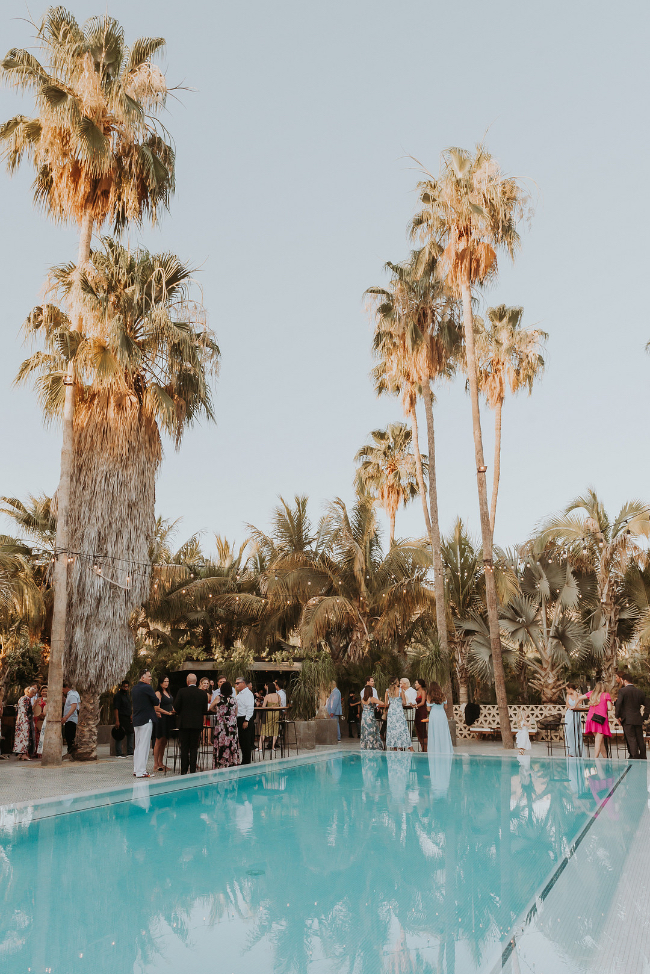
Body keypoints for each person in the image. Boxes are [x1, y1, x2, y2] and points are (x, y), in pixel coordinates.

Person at [173, 673, 209, 774]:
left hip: (184, 723)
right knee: (194, 747)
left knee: (184, 747)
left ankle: (184, 770)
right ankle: (193, 769)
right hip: (197, 723)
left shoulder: (182, 691)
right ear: (196, 682)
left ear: (187, 681)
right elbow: (204, 709)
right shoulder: (202, 694)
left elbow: (176, 707)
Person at [131, 669, 161, 778]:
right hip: (146, 719)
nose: (150, 678)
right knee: (144, 745)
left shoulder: (134, 689)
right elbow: (156, 701)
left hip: (137, 719)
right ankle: (141, 771)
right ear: (143, 677)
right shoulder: (147, 688)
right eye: (149, 676)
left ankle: (136, 769)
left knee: (138, 745)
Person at [615, 670, 649, 759]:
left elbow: (619, 704)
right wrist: (644, 716)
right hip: (638, 719)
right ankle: (643, 756)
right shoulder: (639, 692)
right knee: (640, 739)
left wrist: (617, 716)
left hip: (627, 719)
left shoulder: (622, 691)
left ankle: (635, 757)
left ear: (624, 681)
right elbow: (648, 704)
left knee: (631, 739)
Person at [212, 680, 240, 769]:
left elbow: (210, 707)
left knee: (221, 743)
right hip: (232, 723)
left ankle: (220, 762)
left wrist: (218, 712)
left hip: (221, 723)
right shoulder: (234, 699)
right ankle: (232, 761)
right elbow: (236, 713)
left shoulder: (218, 698)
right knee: (231, 743)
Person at [584, 680, 613, 759]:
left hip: (591, 718)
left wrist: (574, 705)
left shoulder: (592, 694)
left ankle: (605, 757)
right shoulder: (606, 695)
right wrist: (611, 703)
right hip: (600, 719)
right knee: (598, 740)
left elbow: (580, 697)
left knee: (601, 741)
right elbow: (610, 708)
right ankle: (595, 758)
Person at [424, 682, 453, 754]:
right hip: (442, 714)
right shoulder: (442, 695)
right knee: (443, 731)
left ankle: (435, 749)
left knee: (434, 731)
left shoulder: (429, 696)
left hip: (434, 715)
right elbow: (446, 707)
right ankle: (444, 749)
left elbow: (428, 709)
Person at [385, 678, 412, 751]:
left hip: (391, 711)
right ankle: (402, 745)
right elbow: (404, 702)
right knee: (401, 728)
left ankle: (394, 747)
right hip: (399, 711)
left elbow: (386, 703)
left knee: (392, 729)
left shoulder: (387, 691)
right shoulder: (400, 690)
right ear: (396, 682)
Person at [153, 676, 174, 772]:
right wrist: (167, 712)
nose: (166, 683)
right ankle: (155, 764)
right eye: (164, 681)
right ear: (160, 683)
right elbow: (156, 707)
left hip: (169, 719)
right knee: (158, 741)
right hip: (162, 719)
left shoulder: (168, 692)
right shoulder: (158, 693)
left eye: (167, 681)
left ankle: (161, 762)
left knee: (164, 741)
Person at [235, 676, 255, 764]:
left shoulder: (248, 694)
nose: (236, 685)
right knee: (242, 741)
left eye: (237, 683)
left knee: (246, 741)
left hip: (244, 718)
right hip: (240, 718)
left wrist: (246, 720)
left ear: (243, 683)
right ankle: (245, 760)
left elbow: (250, 707)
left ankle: (246, 761)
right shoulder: (240, 694)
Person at [13, 686, 36, 760]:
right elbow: (27, 710)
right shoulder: (26, 699)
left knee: (20, 736)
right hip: (24, 720)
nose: (34, 694)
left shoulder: (21, 698)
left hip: (20, 719)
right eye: (33, 693)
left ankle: (20, 753)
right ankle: (24, 753)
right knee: (25, 736)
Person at [113, 681, 134, 757]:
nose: (126, 688)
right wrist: (117, 720)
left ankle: (130, 751)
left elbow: (129, 706)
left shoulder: (127, 695)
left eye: (127, 687)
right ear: (121, 687)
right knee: (119, 734)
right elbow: (116, 708)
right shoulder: (118, 696)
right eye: (124, 687)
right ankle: (118, 752)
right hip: (121, 716)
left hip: (127, 717)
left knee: (130, 733)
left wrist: (131, 715)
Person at [564, 683, 586, 757]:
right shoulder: (568, 695)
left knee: (576, 732)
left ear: (570, 689)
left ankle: (577, 751)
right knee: (569, 732)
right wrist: (570, 707)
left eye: (567, 689)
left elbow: (578, 704)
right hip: (569, 714)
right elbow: (567, 703)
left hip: (576, 714)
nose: (566, 691)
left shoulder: (580, 695)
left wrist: (576, 696)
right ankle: (570, 752)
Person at [359, 685, 383, 750]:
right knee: (372, 731)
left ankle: (365, 746)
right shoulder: (372, 699)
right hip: (370, 716)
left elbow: (363, 707)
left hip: (364, 716)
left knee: (365, 731)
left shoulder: (362, 700)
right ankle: (373, 745)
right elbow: (382, 703)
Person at [260, 679, 281, 754]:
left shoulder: (267, 696)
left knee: (265, 729)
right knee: (275, 729)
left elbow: (263, 706)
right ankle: (273, 747)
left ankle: (260, 747)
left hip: (268, 714)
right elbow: (280, 705)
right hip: (276, 714)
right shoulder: (278, 696)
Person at [61, 682, 80, 757]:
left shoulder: (72, 695)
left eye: (62, 689)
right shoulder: (72, 694)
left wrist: (66, 717)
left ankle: (72, 753)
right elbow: (68, 703)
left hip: (71, 720)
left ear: (65, 687)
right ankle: (70, 752)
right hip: (70, 719)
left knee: (70, 737)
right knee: (68, 737)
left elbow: (74, 706)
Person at [413, 679, 428, 752]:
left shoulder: (423, 692)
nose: (415, 685)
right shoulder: (416, 692)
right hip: (417, 712)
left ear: (420, 684)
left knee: (422, 730)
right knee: (418, 730)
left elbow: (422, 702)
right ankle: (422, 747)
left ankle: (425, 748)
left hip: (422, 712)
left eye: (416, 683)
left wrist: (416, 706)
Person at [33, 686, 47, 755]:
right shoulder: (38, 700)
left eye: (46, 691)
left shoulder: (50, 700)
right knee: (37, 735)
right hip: (38, 719)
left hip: (46, 719)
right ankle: (37, 752)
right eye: (43, 691)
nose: (44, 692)